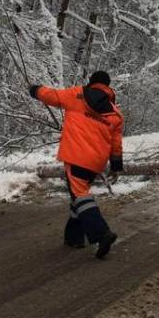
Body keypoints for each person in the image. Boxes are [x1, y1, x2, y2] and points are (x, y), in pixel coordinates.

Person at [29, 71, 123, 259]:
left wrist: (35, 90)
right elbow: (116, 143)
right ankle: (73, 237)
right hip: (96, 161)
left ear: (91, 82)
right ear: (108, 87)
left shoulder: (76, 95)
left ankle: (101, 234)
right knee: (77, 196)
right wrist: (116, 165)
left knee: (80, 195)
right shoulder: (115, 113)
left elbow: (51, 95)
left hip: (76, 156)